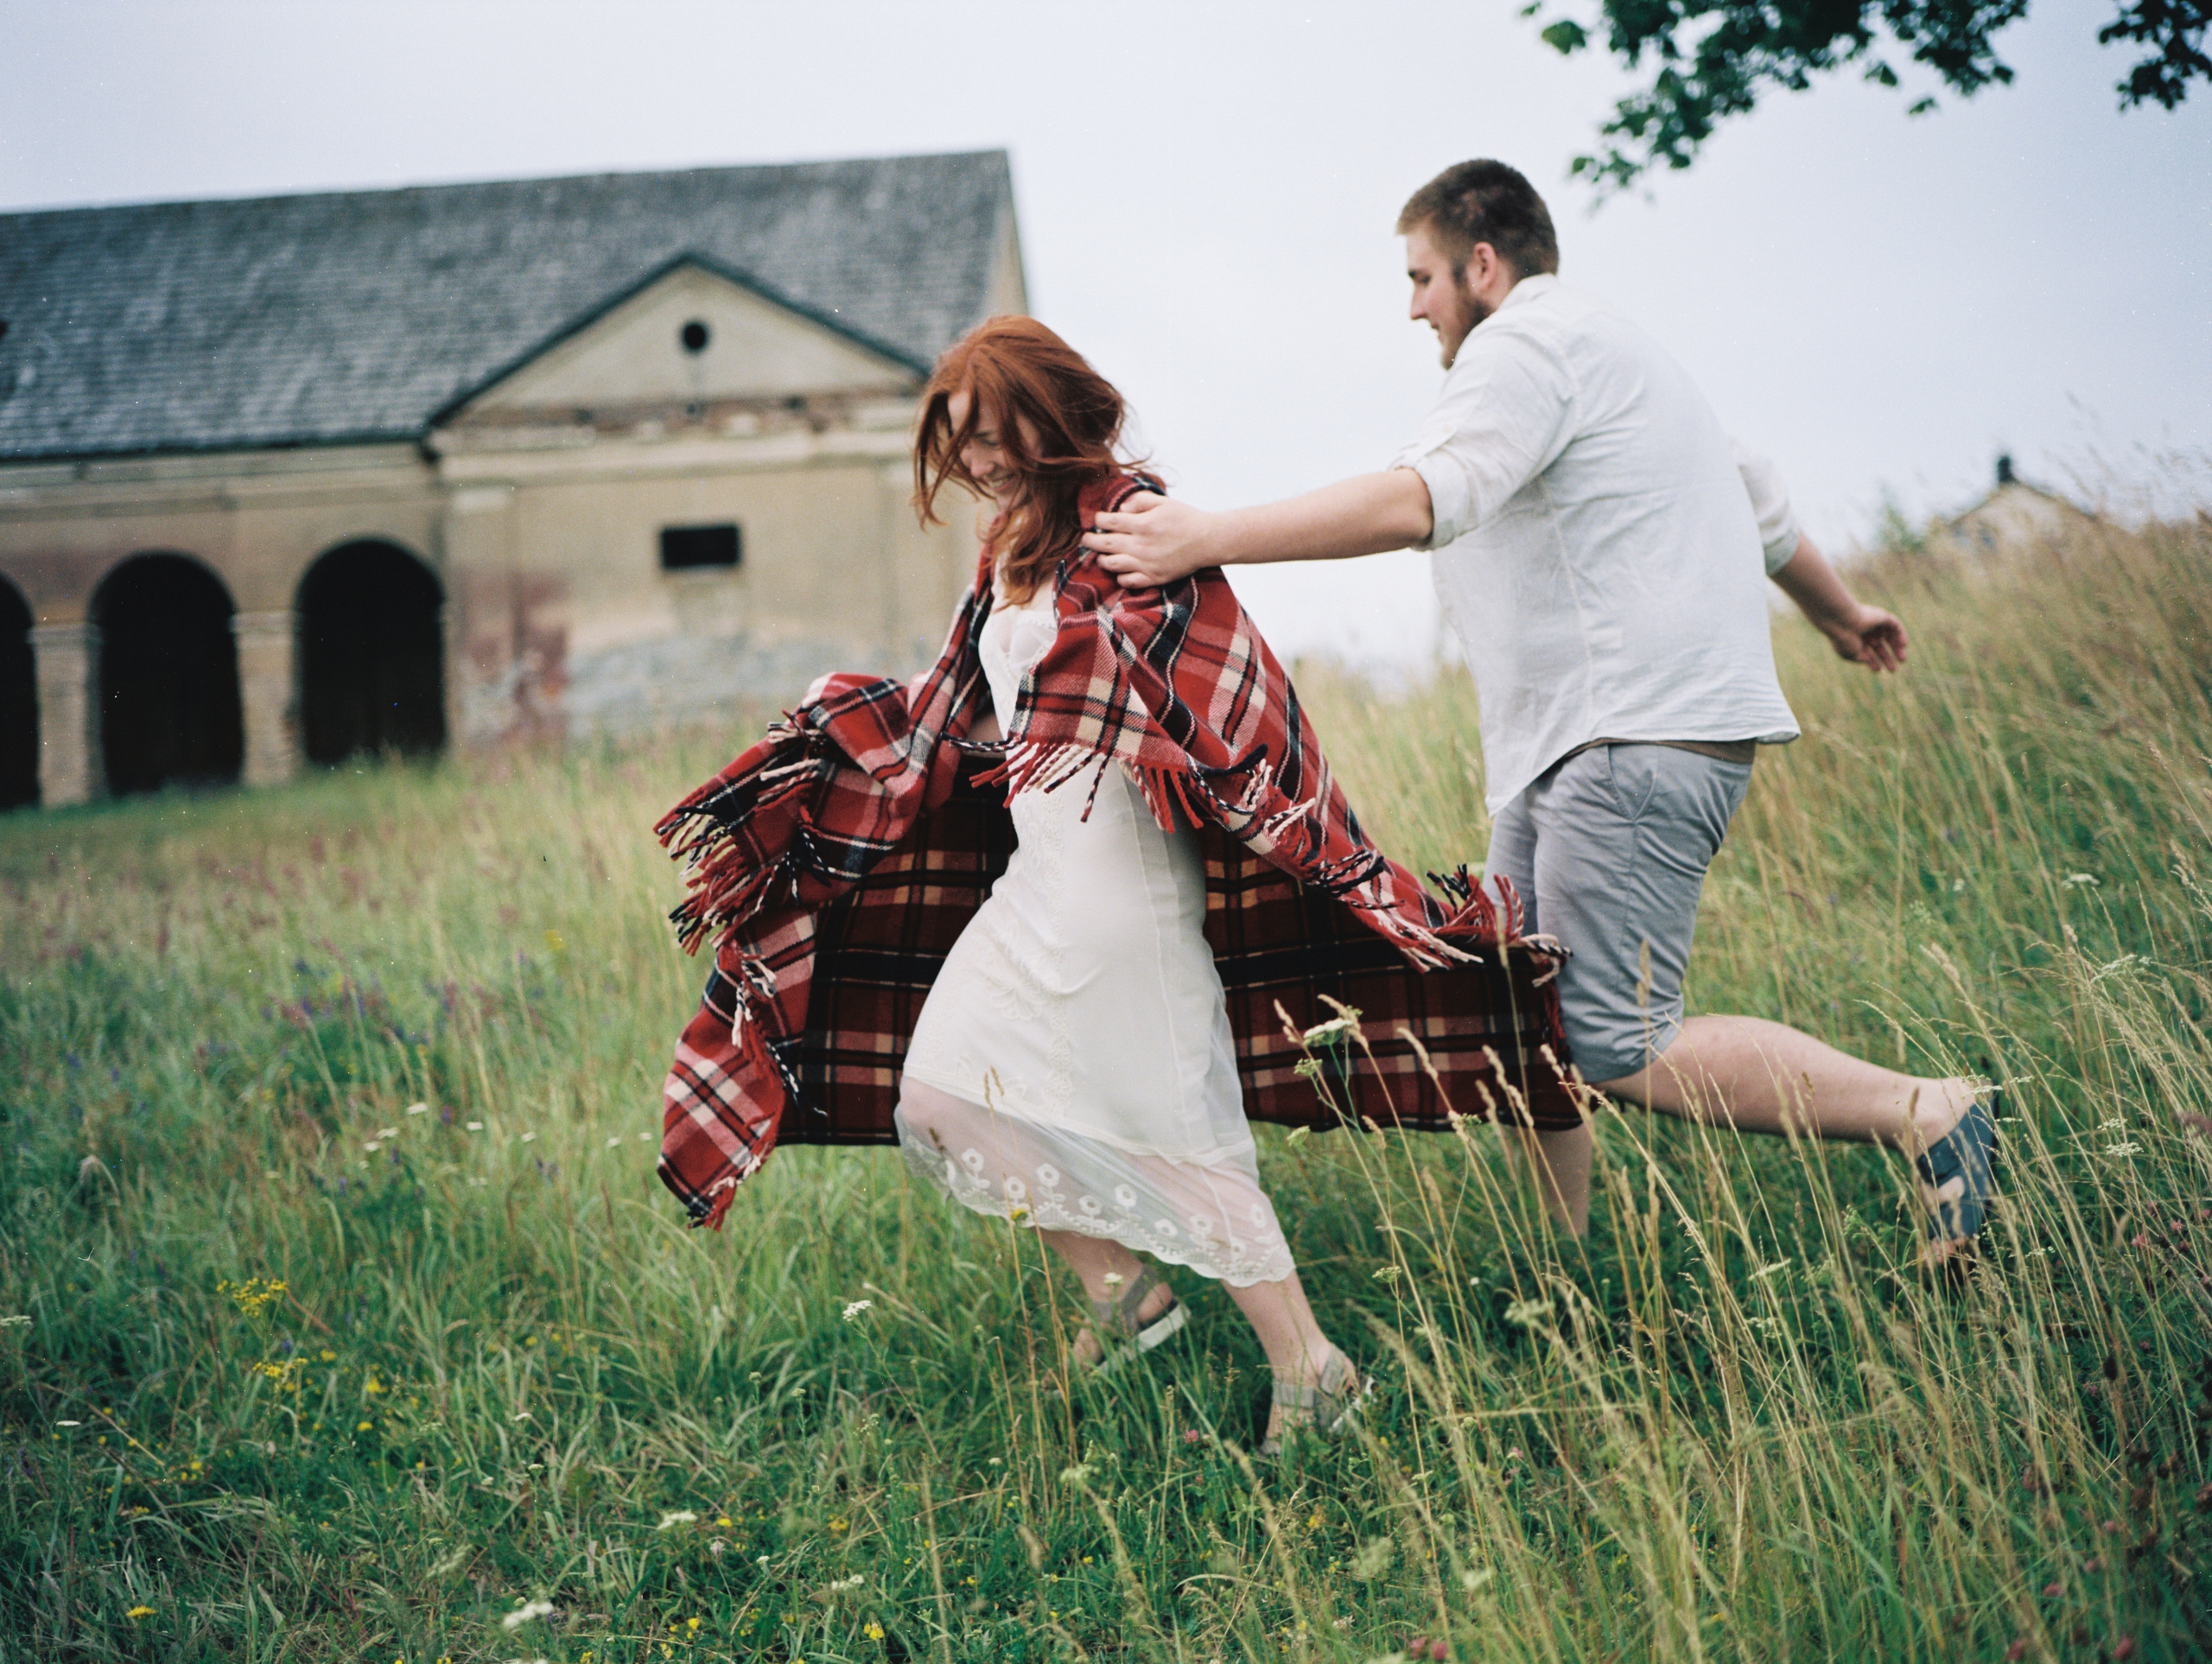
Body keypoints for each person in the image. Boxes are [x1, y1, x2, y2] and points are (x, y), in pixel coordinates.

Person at [652, 316, 1583, 1450]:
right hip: (1035, 882)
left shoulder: (1136, 520)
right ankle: (1126, 1297)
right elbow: (963, 710)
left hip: (1125, 891)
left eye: (994, 434)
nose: (981, 461)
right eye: (960, 442)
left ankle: (1315, 1366)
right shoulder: (1006, 549)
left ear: (1051, 414)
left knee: (1173, 1135)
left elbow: (1219, 688)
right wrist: (848, 725)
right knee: (941, 1100)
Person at [1084, 160, 1997, 1266]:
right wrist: (1842, 614)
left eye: (1421, 275)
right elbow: (1756, 500)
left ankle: (1926, 1112)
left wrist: (1206, 535)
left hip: (1625, 737)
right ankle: (1564, 1268)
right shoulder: (1618, 357)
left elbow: (1417, 498)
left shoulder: (1523, 347)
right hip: (1581, 745)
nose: (1411, 303)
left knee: (1614, 1042)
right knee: (1524, 1019)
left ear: (1481, 261)